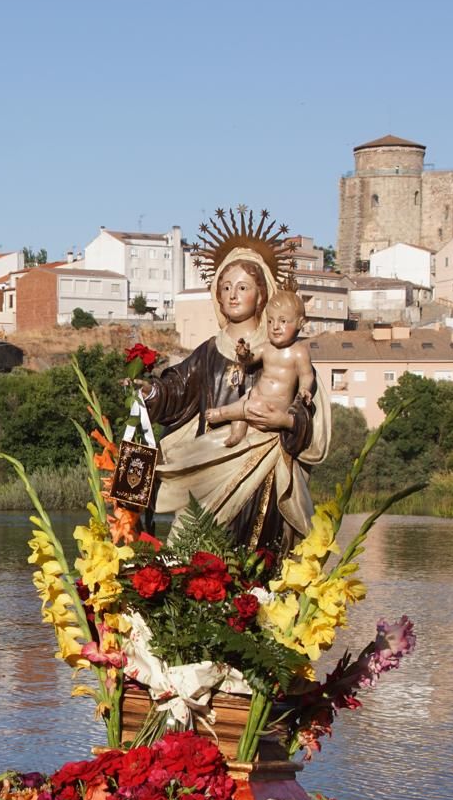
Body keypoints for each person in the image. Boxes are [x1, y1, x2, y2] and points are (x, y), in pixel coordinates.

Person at [137, 206, 331, 554]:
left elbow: (307, 408)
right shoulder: (209, 351)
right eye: (225, 286)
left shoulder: (282, 350)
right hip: (210, 458)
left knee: (255, 556)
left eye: (242, 287)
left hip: (263, 464)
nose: (232, 294)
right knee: (194, 550)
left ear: (262, 294)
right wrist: (151, 390)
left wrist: (283, 420)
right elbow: (177, 391)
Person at [205, 290, 314, 448]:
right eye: (270, 321)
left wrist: (304, 390)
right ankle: (237, 434)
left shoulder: (299, 352)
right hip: (256, 398)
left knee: (245, 407)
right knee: (243, 403)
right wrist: (243, 354)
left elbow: (307, 375)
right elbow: (250, 360)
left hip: (274, 407)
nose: (275, 327)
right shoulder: (267, 347)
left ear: (300, 323)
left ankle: (221, 413)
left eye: (283, 321)